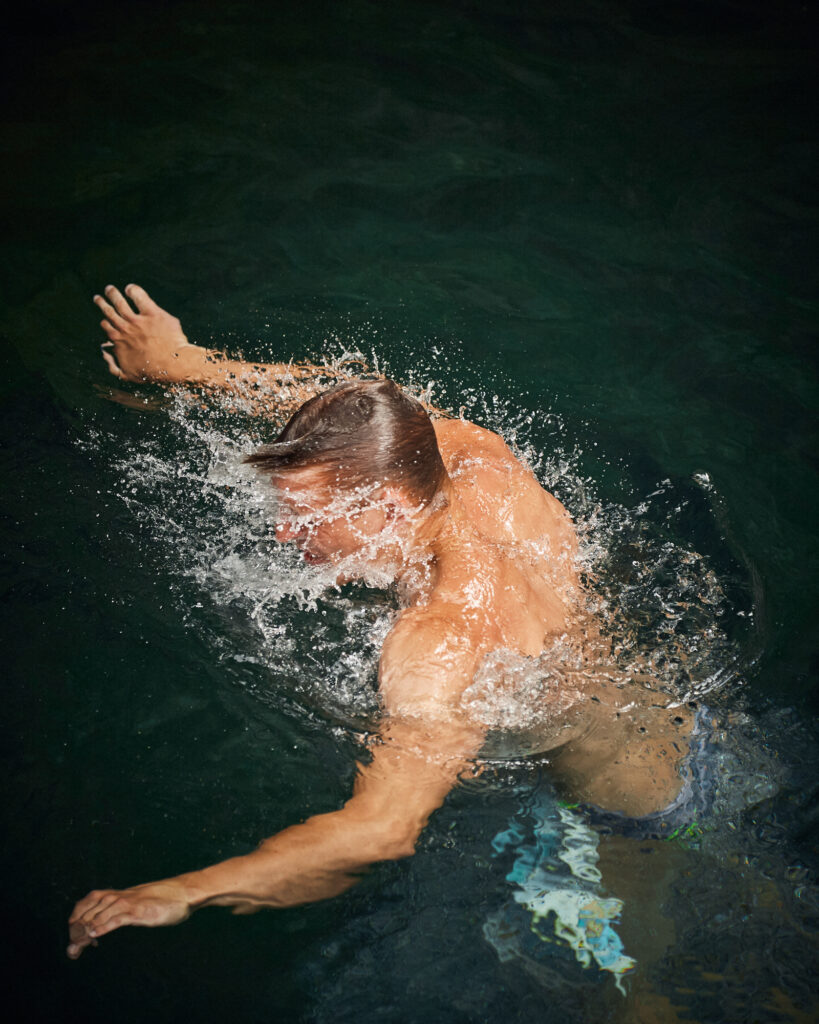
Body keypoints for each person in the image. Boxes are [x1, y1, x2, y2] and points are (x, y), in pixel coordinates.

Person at [67, 284, 695, 960]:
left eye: (307, 516)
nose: (284, 534)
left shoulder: (437, 639)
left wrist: (187, 891)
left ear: (389, 508)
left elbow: (383, 829)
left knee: (641, 988)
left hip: (622, 814)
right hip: (675, 715)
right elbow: (369, 405)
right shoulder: (472, 457)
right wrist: (183, 364)